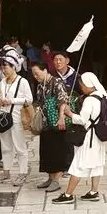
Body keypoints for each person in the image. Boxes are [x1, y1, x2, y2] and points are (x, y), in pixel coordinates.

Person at [52, 72, 107, 204]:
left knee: (78, 164)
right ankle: (94, 191)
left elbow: (82, 120)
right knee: (96, 164)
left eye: (82, 84)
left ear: (88, 85)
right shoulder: (103, 96)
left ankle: (68, 195)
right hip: (99, 136)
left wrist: (69, 113)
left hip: (89, 136)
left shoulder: (90, 100)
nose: (81, 87)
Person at [0, 52, 33, 186]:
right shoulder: (2, 82)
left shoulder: (22, 81)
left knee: (20, 146)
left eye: (6, 66)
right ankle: (6, 171)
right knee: (6, 146)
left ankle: (22, 173)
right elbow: (0, 97)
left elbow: (29, 99)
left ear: (14, 67)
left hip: (16, 117)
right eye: (1, 67)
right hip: (3, 116)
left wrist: (11, 100)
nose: (3, 69)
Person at [31, 61, 71, 193]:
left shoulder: (56, 82)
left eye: (37, 73)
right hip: (45, 122)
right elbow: (38, 101)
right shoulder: (40, 85)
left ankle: (56, 180)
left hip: (55, 120)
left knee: (57, 150)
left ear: (45, 70)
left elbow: (63, 101)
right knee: (47, 150)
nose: (36, 77)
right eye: (34, 75)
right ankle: (50, 177)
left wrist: (61, 118)